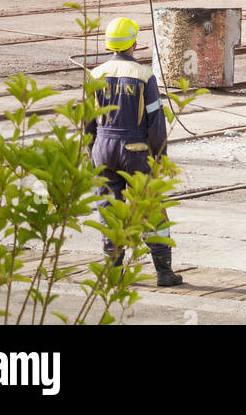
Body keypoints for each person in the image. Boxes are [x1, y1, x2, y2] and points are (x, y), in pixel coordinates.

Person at [86, 16, 183, 288]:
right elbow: (156, 123)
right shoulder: (144, 76)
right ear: (134, 44)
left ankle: (114, 274)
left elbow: (88, 120)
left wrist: (89, 152)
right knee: (150, 206)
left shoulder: (95, 75)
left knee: (109, 208)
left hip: (103, 150)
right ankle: (164, 272)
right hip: (136, 151)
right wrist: (160, 158)